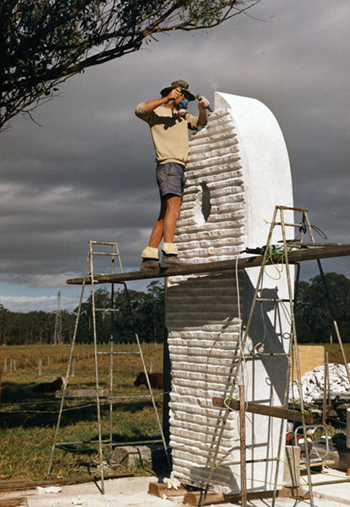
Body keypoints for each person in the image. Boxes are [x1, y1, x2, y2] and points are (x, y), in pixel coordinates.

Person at [135, 79, 210, 272]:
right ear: (172, 94)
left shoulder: (182, 117)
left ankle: (150, 257)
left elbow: (200, 124)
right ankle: (169, 255)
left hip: (176, 167)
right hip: (169, 165)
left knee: (165, 213)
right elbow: (139, 110)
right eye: (182, 95)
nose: (184, 99)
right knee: (174, 208)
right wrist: (166, 99)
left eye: (186, 97)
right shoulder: (157, 113)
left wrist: (202, 109)